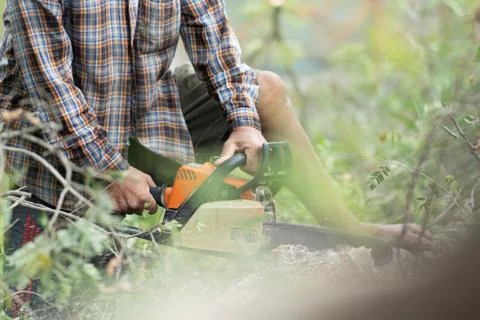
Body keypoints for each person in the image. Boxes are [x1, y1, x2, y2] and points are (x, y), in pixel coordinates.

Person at [0, 0, 431, 318]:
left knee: (267, 92)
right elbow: (49, 85)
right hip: (49, 144)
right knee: (46, 303)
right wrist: (110, 168)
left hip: (146, 116)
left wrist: (244, 125)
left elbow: (218, 45)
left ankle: (345, 226)